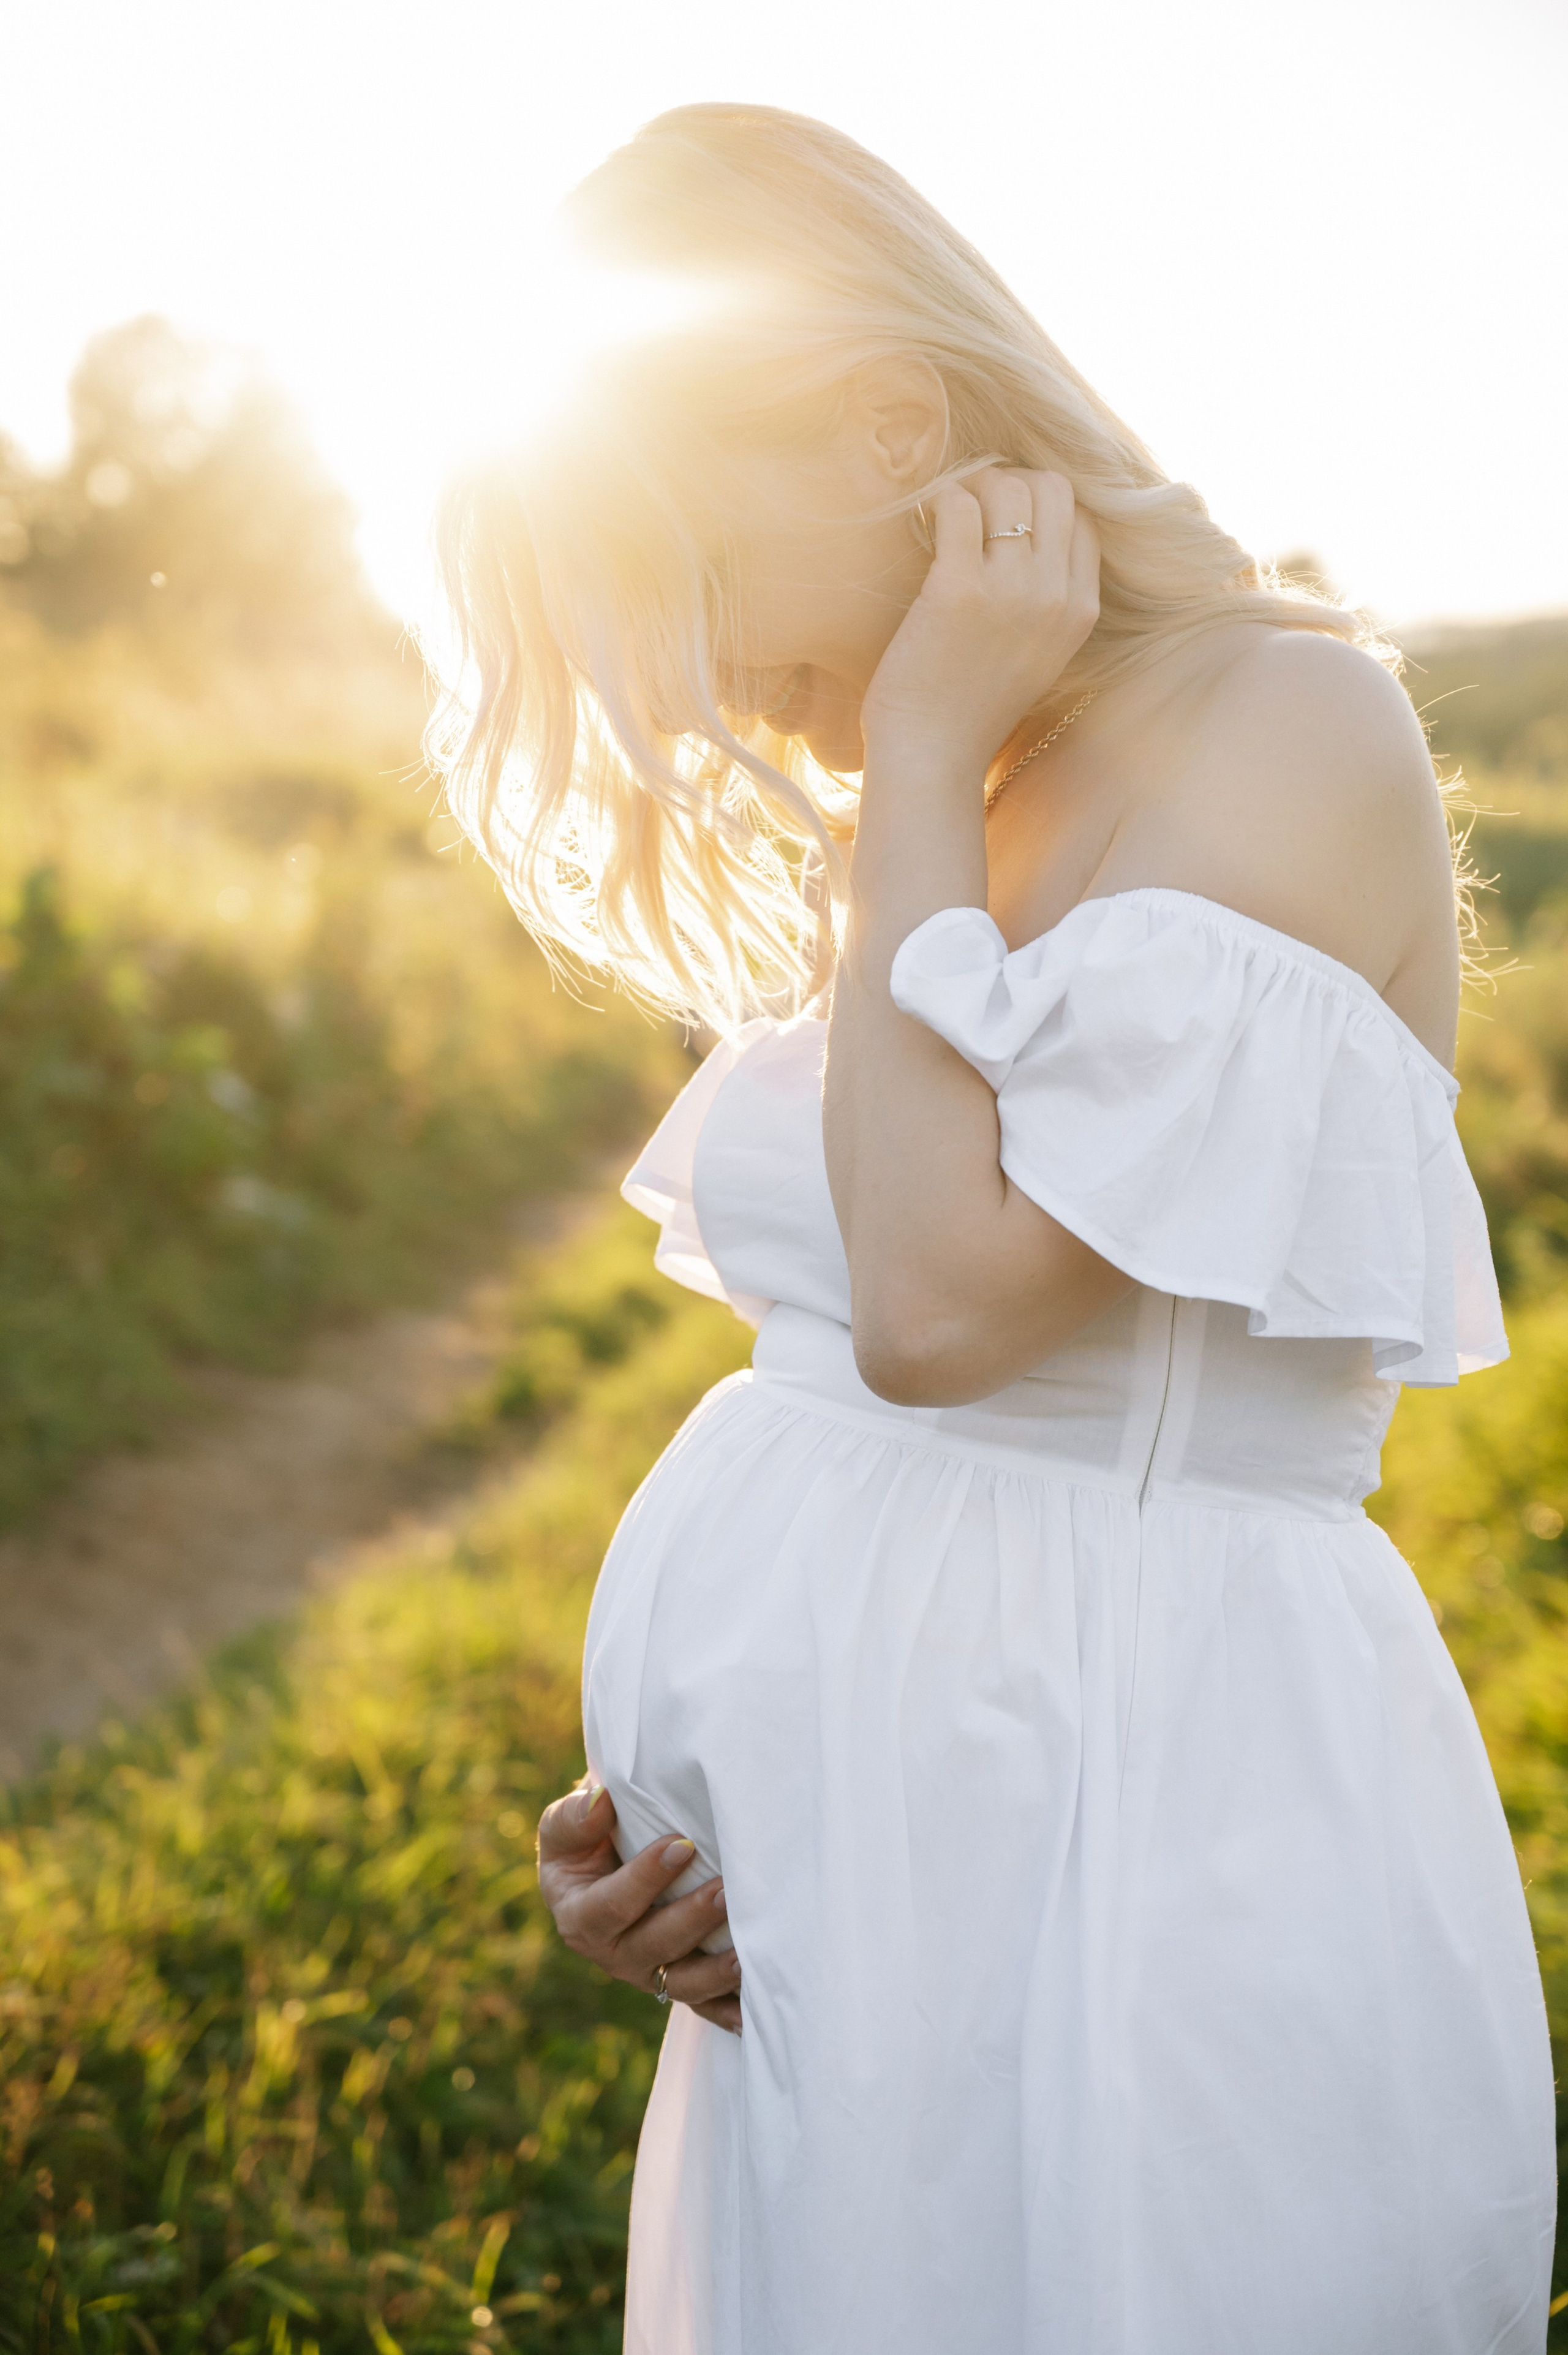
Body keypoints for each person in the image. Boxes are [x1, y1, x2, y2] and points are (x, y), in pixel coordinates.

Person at [433, 102, 1555, 2355]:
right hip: (869, 1929)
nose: (688, 678)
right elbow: (862, 1387)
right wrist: (688, 1810)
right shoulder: (955, 801)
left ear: (892, 427)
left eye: (683, 581)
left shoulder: (1274, 718)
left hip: (1140, 1866)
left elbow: (948, 1314)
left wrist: (925, 745)